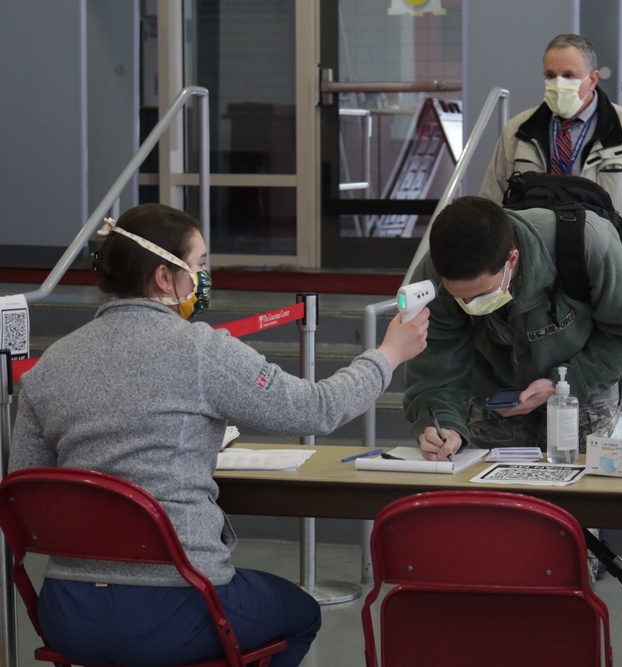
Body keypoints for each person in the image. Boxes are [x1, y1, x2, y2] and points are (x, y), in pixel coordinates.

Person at [9, 203, 429, 667]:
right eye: (201, 264)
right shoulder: (200, 350)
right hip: (178, 603)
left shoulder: (48, 368)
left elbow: (27, 489)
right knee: (300, 614)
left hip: (68, 612)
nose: (207, 276)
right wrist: (388, 355)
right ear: (165, 278)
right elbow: (317, 407)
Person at [402, 196, 622, 460]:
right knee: (493, 492)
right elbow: (434, 373)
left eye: (481, 295)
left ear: (511, 259)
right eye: (460, 298)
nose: (469, 304)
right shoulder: (436, 274)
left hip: (581, 386)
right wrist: (443, 425)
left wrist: (563, 384)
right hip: (494, 394)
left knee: (582, 488)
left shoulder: (588, 242)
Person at [479, 33, 622, 310]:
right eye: (550, 75)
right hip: (535, 277)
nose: (558, 84)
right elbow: (491, 206)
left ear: (592, 79)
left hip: (608, 271)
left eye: (569, 76)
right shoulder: (519, 131)